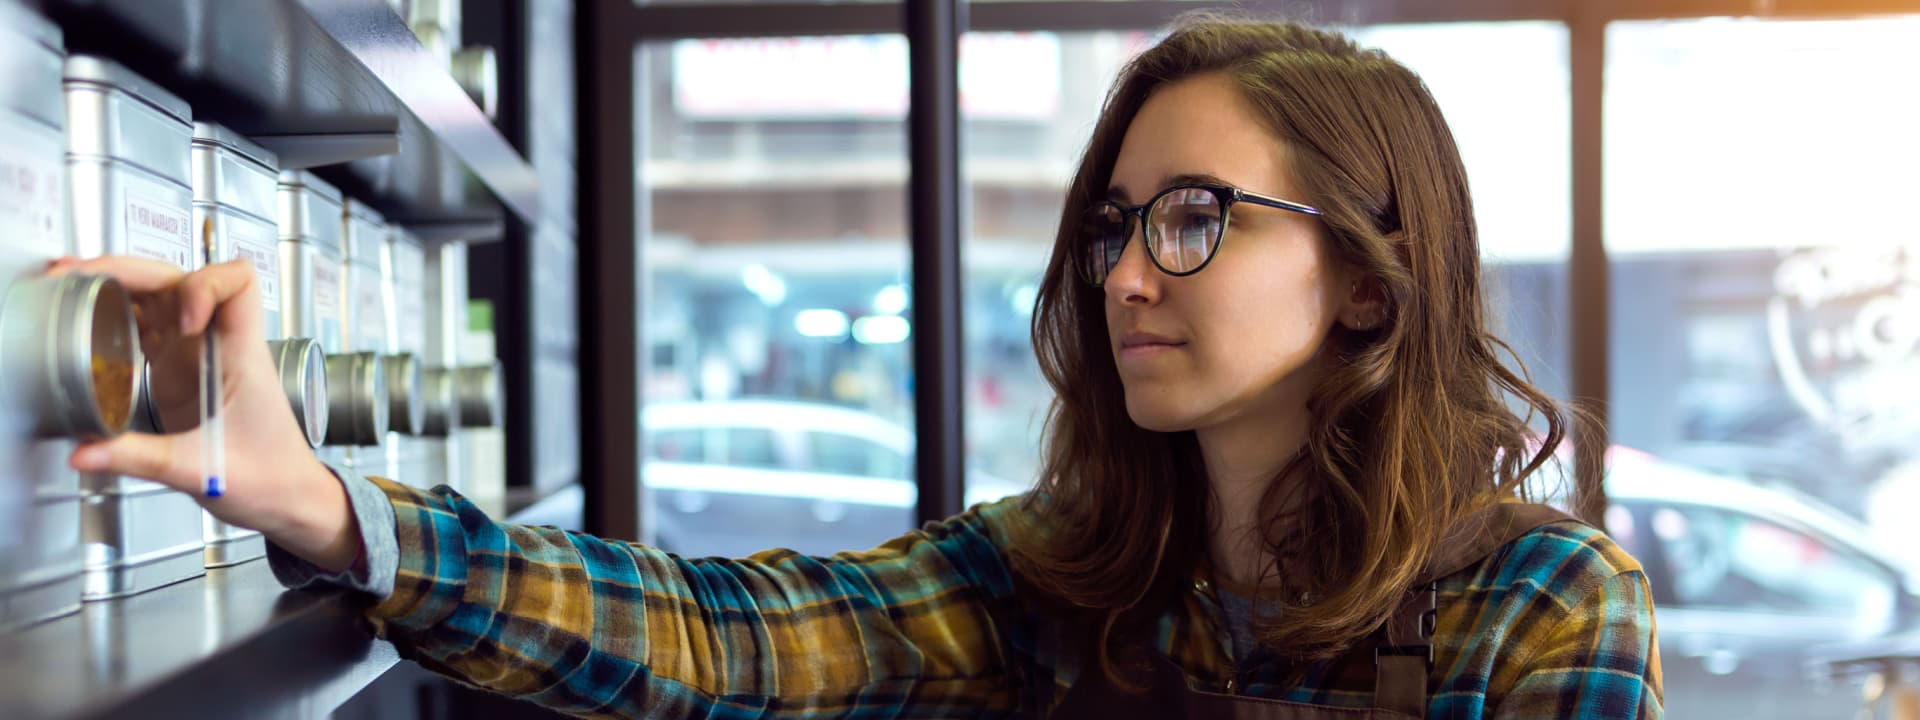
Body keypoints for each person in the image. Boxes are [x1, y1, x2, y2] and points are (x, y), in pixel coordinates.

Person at [55, 15, 1661, 719]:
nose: (1123, 275)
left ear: (1374, 282)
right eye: (1110, 226)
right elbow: (731, 642)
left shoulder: (1543, 608)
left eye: (1193, 220)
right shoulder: (1062, 579)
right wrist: (337, 514)